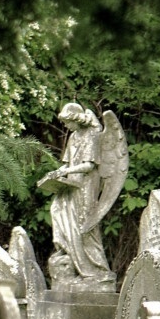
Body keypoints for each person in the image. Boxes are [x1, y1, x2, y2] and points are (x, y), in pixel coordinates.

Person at [37, 103, 115, 285]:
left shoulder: (92, 135)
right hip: (72, 183)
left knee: (85, 226)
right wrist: (56, 172)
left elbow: (89, 165)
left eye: (67, 122)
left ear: (76, 119)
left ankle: (98, 271)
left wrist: (66, 171)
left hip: (86, 186)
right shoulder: (73, 137)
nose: (66, 126)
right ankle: (72, 258)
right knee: (58, 210)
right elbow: (68, 163)